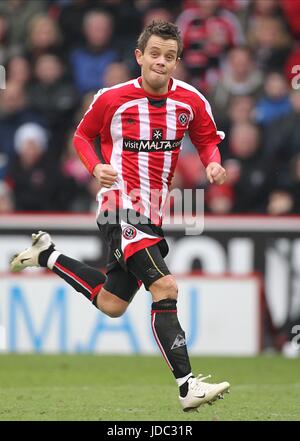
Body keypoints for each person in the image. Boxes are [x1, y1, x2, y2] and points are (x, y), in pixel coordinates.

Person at [10, 21, 230, 412]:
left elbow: (208, 140)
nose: (161, 62)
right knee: (165, 287)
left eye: (170, 56)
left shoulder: (191, 101)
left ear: (177, 61)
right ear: (139, 57)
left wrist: (213, 164)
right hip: (119, 206)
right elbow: (82, 136)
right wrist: (95, 168)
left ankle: (47, 255)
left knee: (112, 304)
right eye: (155, 54)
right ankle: (187, 387)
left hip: (154, 213)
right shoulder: (113, 98)